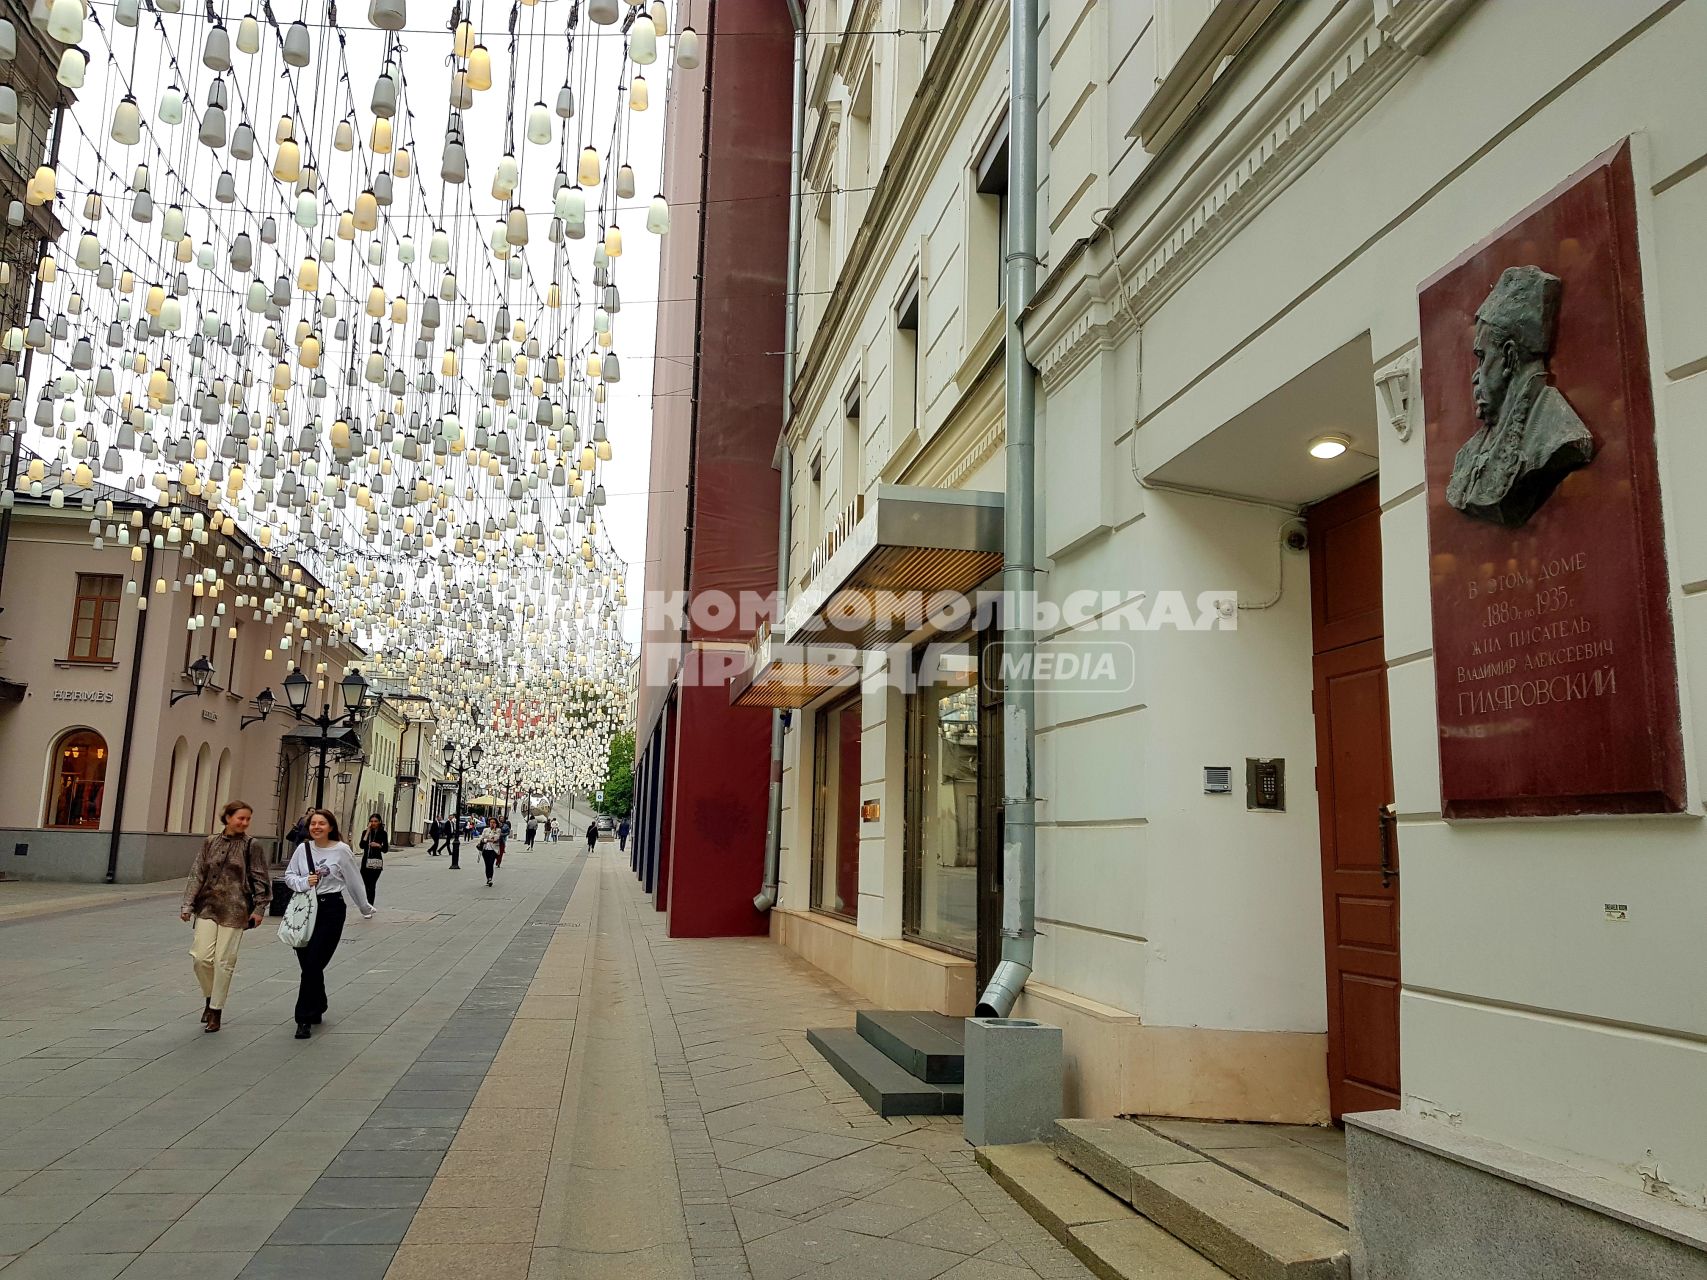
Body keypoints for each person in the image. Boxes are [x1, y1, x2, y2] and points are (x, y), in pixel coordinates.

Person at [179, 800, 271, 1033]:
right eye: (240, 818)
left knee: (223, 960)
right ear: (228, 817)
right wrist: (187, 905)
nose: (244, 823)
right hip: (208, 906)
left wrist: (259, 909)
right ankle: (209, 998)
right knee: (201, 957)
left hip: (236, 908)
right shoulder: (210, 842)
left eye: (248, 819)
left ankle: (216, 1011)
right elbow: (197, 873)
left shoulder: (252, 845)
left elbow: (261, 878)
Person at [284, 809, 374, 1039]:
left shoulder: (341, 850)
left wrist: (364, 907)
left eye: (321, 823)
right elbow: (289, 876)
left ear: (331, 827)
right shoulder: (302, 850)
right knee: (308, 964)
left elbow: (354, 880)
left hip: (330, 909)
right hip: (304, 909)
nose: (316, 827)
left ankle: (303, 1018)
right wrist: (305, 881)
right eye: (313, 823)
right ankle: (318, 1002)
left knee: (314, 962)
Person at [357, 814, 388, 905]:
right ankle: (365, 904)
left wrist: (378, 845)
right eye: (371, 821)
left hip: (376, 862)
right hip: (365, 861)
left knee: (372, 885)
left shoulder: (383, 833)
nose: (373, 823)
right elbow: (362, 846)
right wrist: (367, 831)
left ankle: (370, 905)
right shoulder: (365, 832)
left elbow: (385, 849)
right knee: (365, 885)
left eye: (375, 821)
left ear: (379, 822)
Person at [477, 817, 502, 886]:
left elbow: (495, 839)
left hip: (493, 850)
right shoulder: (485, 829)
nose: (492, 823)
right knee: (487, 864)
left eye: (494, 822)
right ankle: (488, 878)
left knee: (491, 864)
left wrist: (487, 839)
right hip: (485, 849)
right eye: (491, 822)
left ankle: (490, 878)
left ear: (496, 823)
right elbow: (482, 838)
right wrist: (484, 840)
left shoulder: (498, 830)